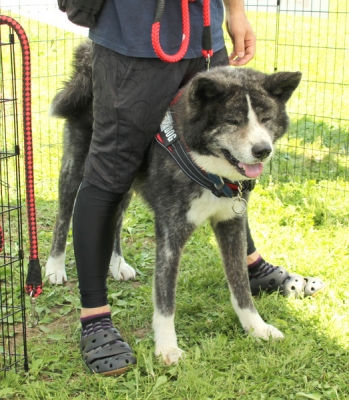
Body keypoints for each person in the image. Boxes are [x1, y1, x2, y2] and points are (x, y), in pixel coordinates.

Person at [72, 0, 323, 376]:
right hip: (133, 34)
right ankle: (95, 318)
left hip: (202, 29)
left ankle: (250, 271)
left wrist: (235, 11)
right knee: (112, 167)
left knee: (230, 166)